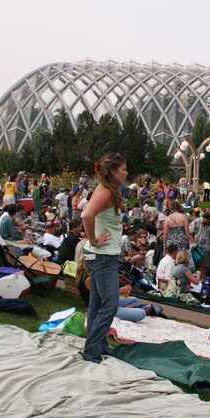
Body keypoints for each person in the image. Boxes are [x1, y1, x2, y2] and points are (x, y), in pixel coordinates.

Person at [81, 153, 128, 363]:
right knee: (110, 303)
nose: (127, 173)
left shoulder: (108, 191)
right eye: (123, 169)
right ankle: (91, 350)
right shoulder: (106, 192)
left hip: (102, 255)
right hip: (101, 255)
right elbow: (86, 215)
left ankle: (99, 345)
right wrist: (93, 239)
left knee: (97, 304)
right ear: (112, 171)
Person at [76, 258, 161, 323]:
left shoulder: (89, 276)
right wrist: (121, 290)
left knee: (134, 300)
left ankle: (128, 309)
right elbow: (105, 296)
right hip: (101, 309)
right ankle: (130, 309)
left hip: (105, 304)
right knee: (141, 313)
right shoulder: (89, 279)